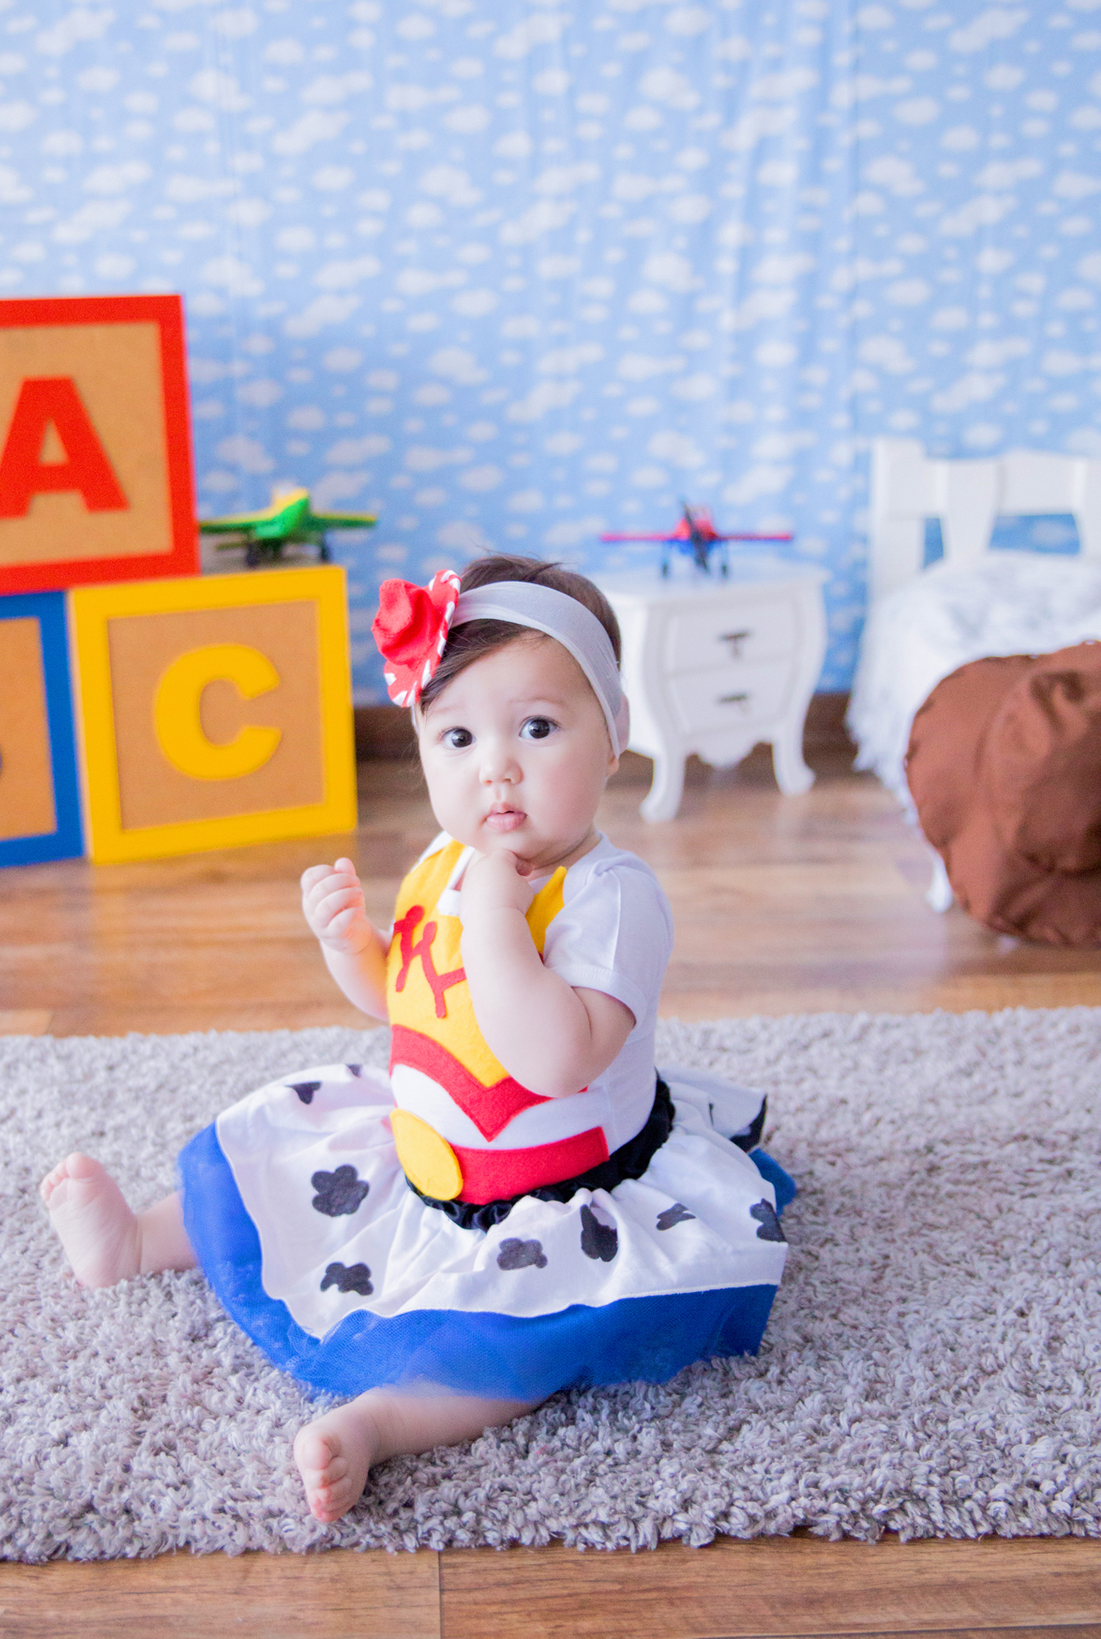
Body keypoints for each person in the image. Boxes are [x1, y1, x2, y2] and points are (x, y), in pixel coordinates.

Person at [41, 554, 793, 1523]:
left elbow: (556, 1059)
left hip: (555, 1195)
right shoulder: (450, 860)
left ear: (614, 734)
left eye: (537, 727)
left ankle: (381, 1423)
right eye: (458, 736)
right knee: (284, 1171)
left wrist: (495, 916)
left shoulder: (611, 900)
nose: (496, 767)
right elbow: (406, 999)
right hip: (428, 1147)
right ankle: (139, 1241)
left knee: (522, 1341)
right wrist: (350, 946)